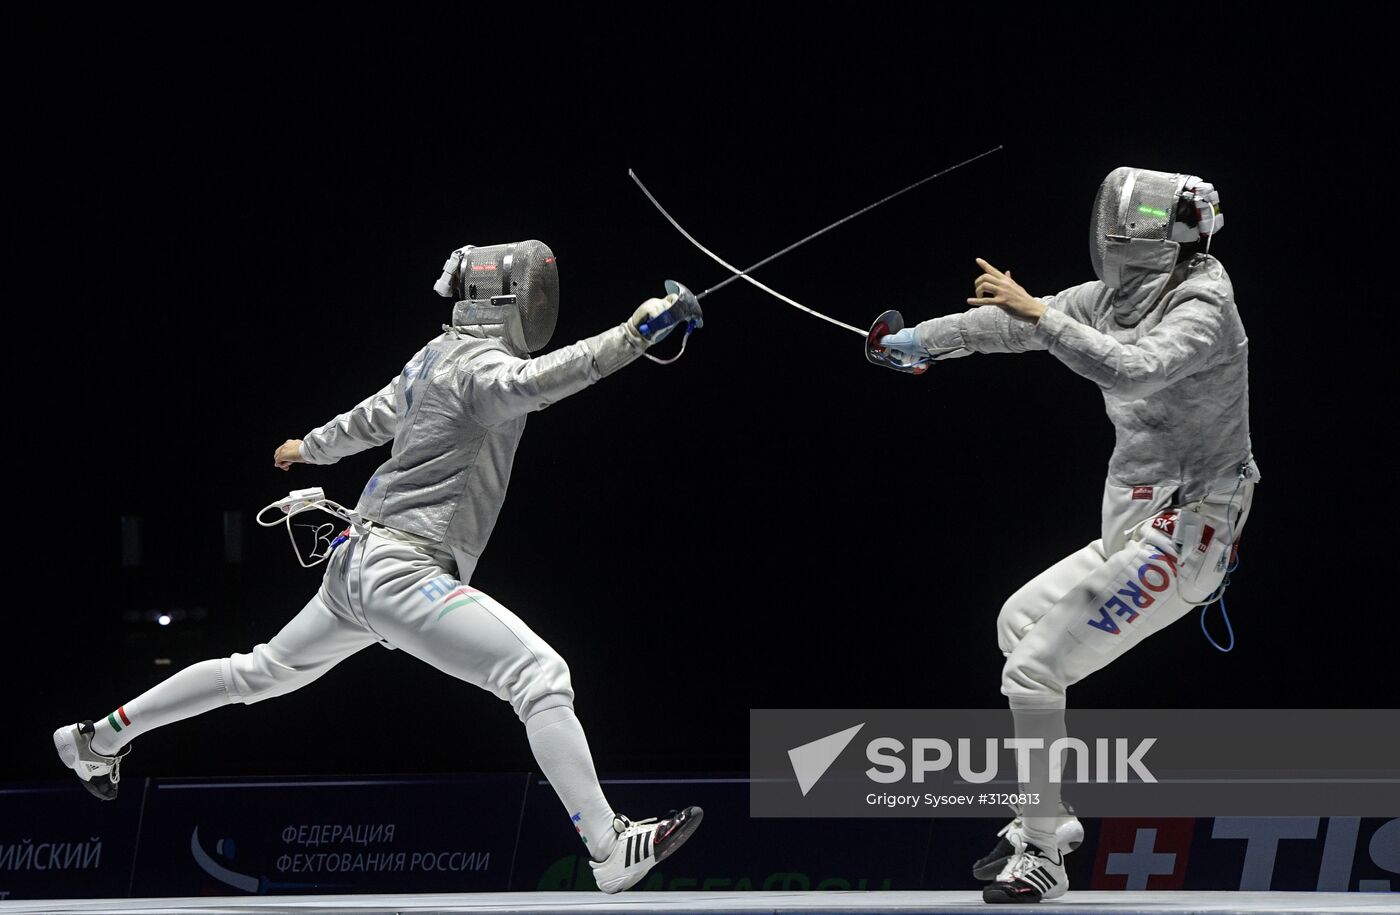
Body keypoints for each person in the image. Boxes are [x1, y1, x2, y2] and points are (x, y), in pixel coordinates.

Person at [53, 240, 704, 895]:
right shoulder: (481, 371)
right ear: (505, 299)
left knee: (258, 671)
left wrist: (308, 446)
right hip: (403, 571)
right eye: (533, 294)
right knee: (537, 673)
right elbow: (539, 383)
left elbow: (373, 416)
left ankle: (96, 738)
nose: (540, 305)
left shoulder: (433, 356)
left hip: (354, 564)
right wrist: (633, 334)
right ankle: (608, 843)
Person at [879, 168, 1256, 903]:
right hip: (1133, 525)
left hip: (1189, 530)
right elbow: (1013, 325)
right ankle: (1047, 819)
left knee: (1031, 673)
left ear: (1145, 239)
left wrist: (1042, 317)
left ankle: (1045, 849)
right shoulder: (1118, 298)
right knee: (1017, 625)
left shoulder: (1205, 304)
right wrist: (915, 342)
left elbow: (1136, 370)